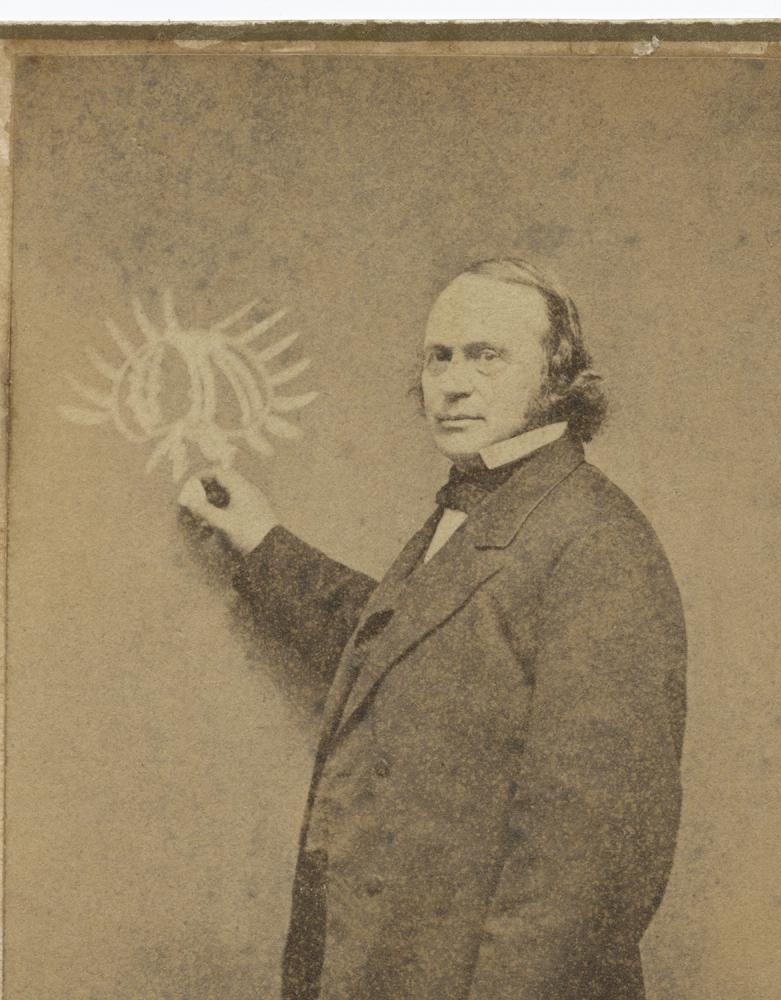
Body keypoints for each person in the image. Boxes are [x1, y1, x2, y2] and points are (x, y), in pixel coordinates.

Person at [179, 258, 687, 1000]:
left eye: (487, 355)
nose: (452, 382)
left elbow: (591, 863)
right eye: (439, 356)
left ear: (556, 377)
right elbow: (401, 648)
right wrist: (262, 539)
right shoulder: (482, 507)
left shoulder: (600, 543)